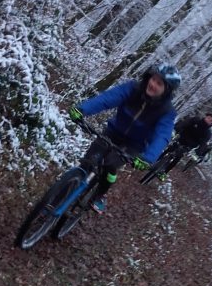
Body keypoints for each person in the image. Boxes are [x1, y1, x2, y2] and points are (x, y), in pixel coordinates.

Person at [69, 63, 181, 211]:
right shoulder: (133, 88)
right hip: (113, 132)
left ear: (167, 90)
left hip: (135, 144)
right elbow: (108, 98)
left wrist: (148, 158)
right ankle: (62, 193)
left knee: (110, 165)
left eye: (159, 84)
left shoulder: (167, 112)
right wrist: (82, 110)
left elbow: (162, 136)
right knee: (88, 161)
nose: (153, 84)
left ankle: (100, 195)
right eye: (153, 79)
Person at [162, 111, 212, 176]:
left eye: (211, 121)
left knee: (178, 156)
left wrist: (197, 154)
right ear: (205, 117)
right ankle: (156, 160)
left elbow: (203, 144)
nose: (208, 120)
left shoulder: (207, 134)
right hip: (181, 137)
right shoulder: (196, 120)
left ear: (211, 124)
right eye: (208, 118)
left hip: (189, 146)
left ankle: (164, 173)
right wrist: (175, 130)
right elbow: (184, 124)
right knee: (169, 149)